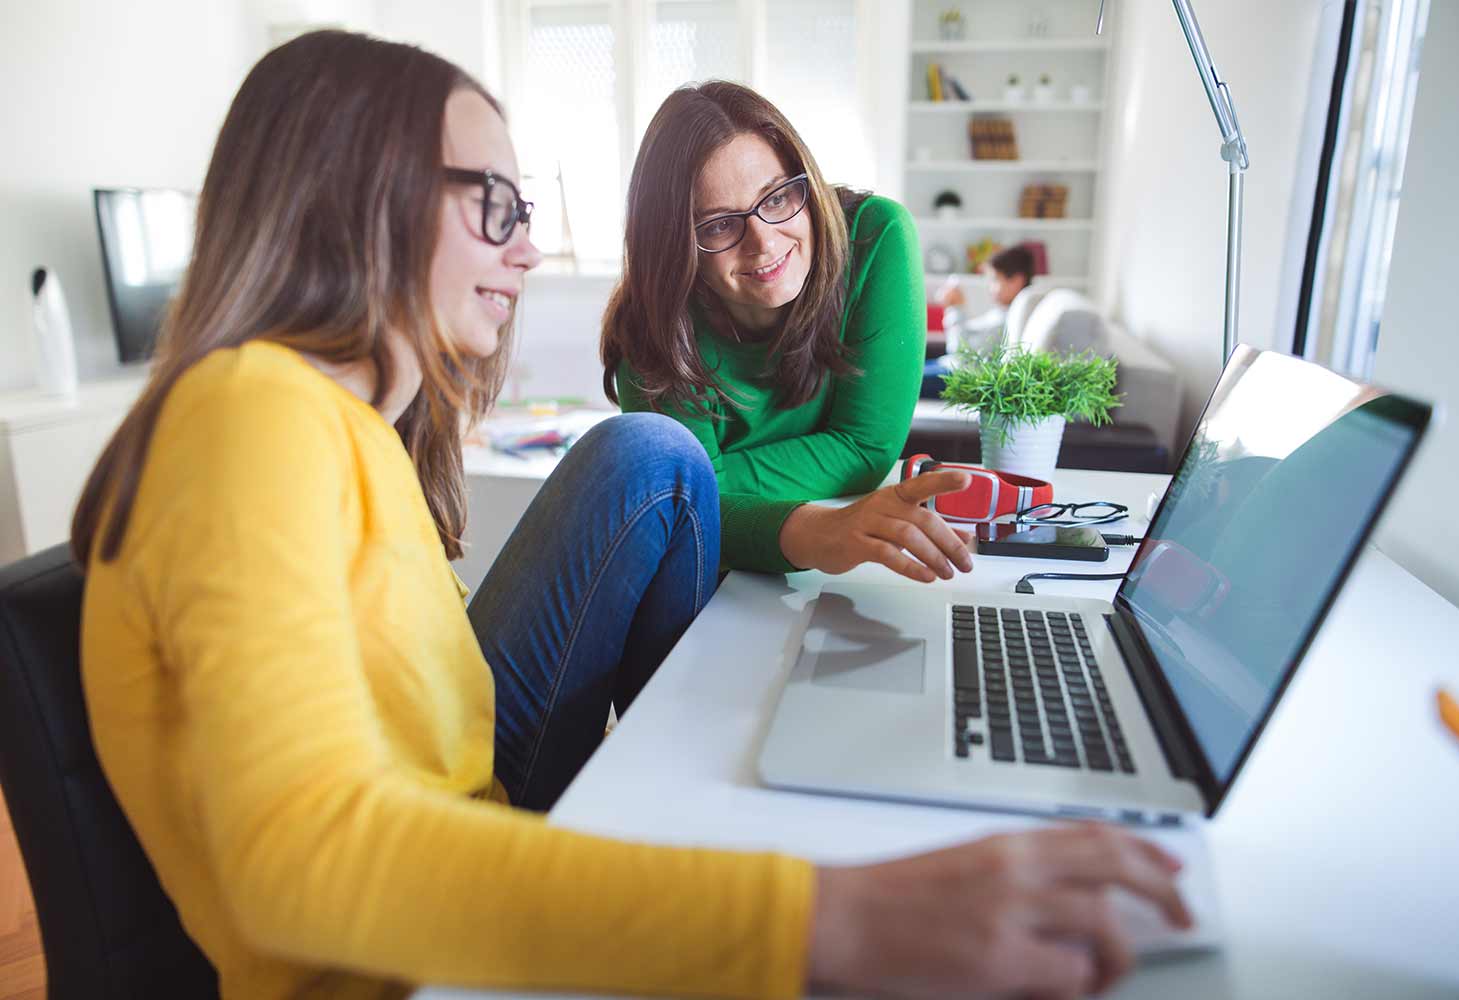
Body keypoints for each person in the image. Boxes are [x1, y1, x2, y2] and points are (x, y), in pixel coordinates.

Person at [72, 31, 1190, 1000]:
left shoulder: (340, 424)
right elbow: (306, 865)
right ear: (358, 197)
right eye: (495, 204)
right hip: (407, 969)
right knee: (657, 460)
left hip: (478, 816)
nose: (523, 244)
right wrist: (825, 918)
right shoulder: (246, 413)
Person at [602, 82, 967, 579]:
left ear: (805, 182)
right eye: (717, 226)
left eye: (775, 198)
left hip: (844, 551)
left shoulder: (876, 236)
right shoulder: (654, 320)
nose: (764, 242)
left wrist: (716, 483)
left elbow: (867, 449)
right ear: (674, 245)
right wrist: (808, 528)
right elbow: (683, 516)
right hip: (714, 578)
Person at [921, 244, 1038, 398]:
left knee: (897, 378)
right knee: (901, 370)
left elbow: (960, 351)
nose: (990, 287)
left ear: (1016, 280)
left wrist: (956, 308)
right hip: (949, 365)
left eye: (995, 279)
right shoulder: (1001, 312)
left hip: (958, 374)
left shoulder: (1010, 320)